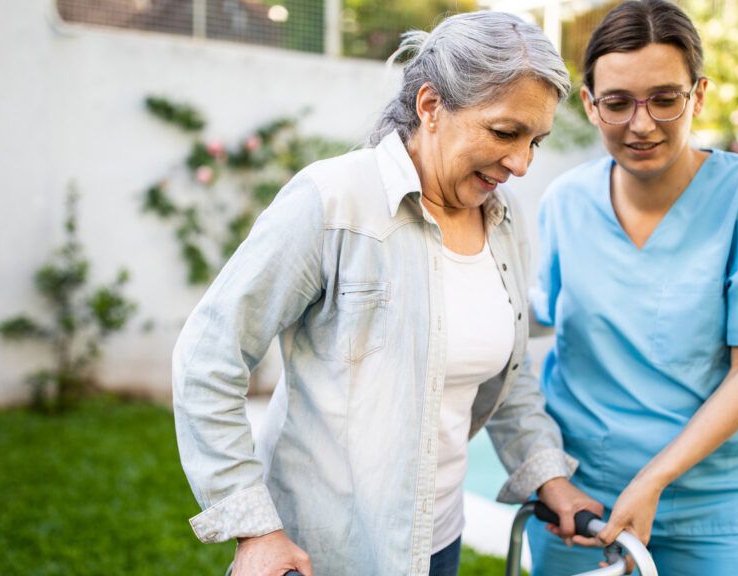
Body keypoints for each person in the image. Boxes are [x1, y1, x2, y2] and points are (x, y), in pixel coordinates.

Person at [173, 11, 601, 576]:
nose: (521, 163)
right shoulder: (333, 200)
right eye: (504, 133)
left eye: (535, 141)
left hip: (438, 541)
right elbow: (209, 358)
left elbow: (508, 371)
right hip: (319, 551)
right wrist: (255, 530)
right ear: (430, 106)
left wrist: (549, 476)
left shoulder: (502, 219)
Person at [525, 1, 738, 574]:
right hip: (581, 506)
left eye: (665, 98)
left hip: (718, 510)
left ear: (700, 95)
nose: (642, 124)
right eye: (617, 103)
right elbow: (534, 322)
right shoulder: (565, 201)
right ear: (589, 105)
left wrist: (653, 478)